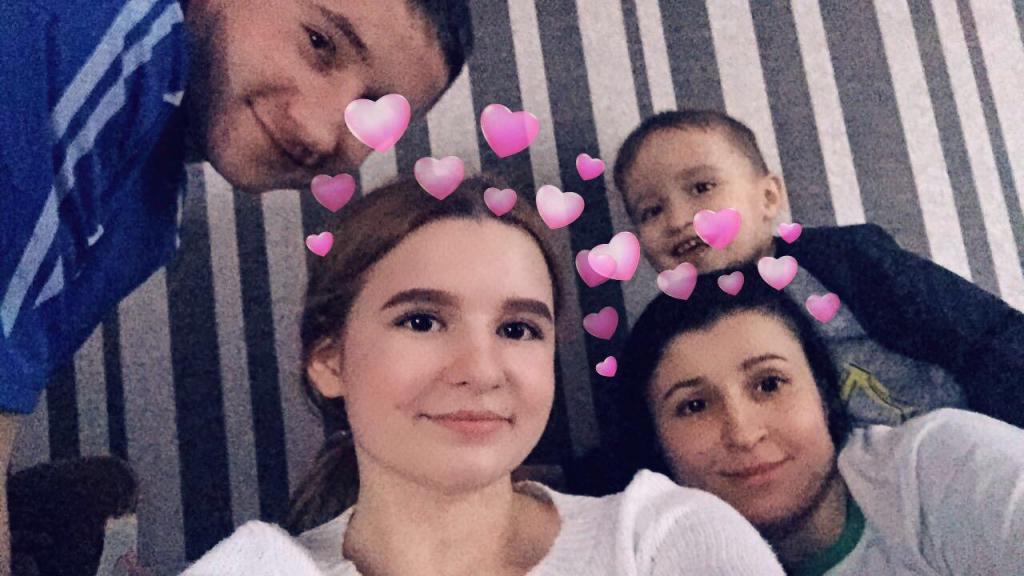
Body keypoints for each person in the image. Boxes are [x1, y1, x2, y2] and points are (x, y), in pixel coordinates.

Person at [0, 0, 472, 570]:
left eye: (373, 111)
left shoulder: (152, 214)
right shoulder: (111, 28)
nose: (320, 130)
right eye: (319, 43)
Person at [180, 176, 785, 575]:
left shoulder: (663, 541)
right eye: (421, 321)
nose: (480, 370)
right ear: (329, 360)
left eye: (518, 329)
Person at [611, 109, 1024, 430]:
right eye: (651, 211)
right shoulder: (661, 332)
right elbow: (634, 440)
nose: (678, 218)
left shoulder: (845, 260)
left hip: (956, 438)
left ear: (768, 198)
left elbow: (980, 331)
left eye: (702, 188)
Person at [616, 271, 1024, 575]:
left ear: (824, 395)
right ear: (656, 442)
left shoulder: (939, 465)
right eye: (694, 406)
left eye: (769, 384)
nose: (743, 433)